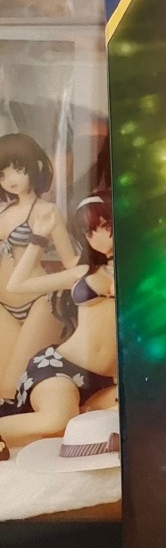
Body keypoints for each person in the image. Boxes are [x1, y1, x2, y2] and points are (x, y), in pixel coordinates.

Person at [0, 193, 115, 457]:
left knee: (147, 409)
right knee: (57, 420)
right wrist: (38, 239)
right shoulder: (82, 271)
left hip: (104, 382)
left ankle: (79, 415)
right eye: (89, 232)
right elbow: (17, 285)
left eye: (105, 226)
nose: (97, 237)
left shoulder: (145, 275)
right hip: (60, 368)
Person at [0, 133, 77, 400]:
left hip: (38, 303)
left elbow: (70, 262)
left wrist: (103, 264)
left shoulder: (47, 211)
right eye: (2, 174)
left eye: (17, 169)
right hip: (4, 306)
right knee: (2, 389)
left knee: (11, 386)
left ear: (36, 165)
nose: (10, 179)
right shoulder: (3, 211)